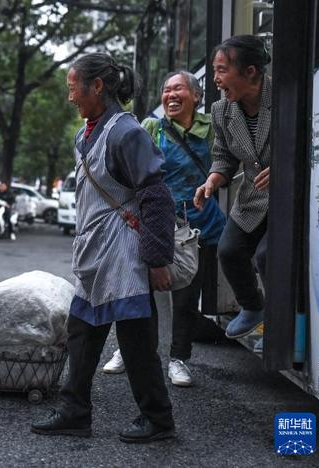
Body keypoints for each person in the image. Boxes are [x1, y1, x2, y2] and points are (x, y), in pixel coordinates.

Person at [31, 52, 176, 443]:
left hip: (126, 254)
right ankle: (74, 411)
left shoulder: (127, 133)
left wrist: (158, 258)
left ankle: (158, 420)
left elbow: (157, 197)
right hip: (96, 254)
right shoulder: (87, 133)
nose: (70, 97)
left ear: (96, 86)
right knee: (81, 332)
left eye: (72, 88)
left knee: (137, 343)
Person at [102, 71, 226, 387]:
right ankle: (130, 352)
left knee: (185, 300)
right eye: (166, 89)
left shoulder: (212, 129)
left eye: (178, 89)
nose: (170, 95)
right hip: (155, 224)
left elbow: (228, 163)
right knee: (140, 293)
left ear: (196, 97)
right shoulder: (151, 128)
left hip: (198, 227)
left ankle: (178, 359)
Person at [193, 35, 272, 341]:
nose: (215, 79)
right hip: (252, 197)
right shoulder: (221, 111)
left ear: (250, 71)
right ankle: (253, 307)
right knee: (229, 251)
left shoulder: (286, 96)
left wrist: (283, 170)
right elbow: (223, 156)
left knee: (267, 256)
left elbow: (311, 144)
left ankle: (282, 321)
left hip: (290, 199)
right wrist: (213, 180)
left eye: (222, 70)